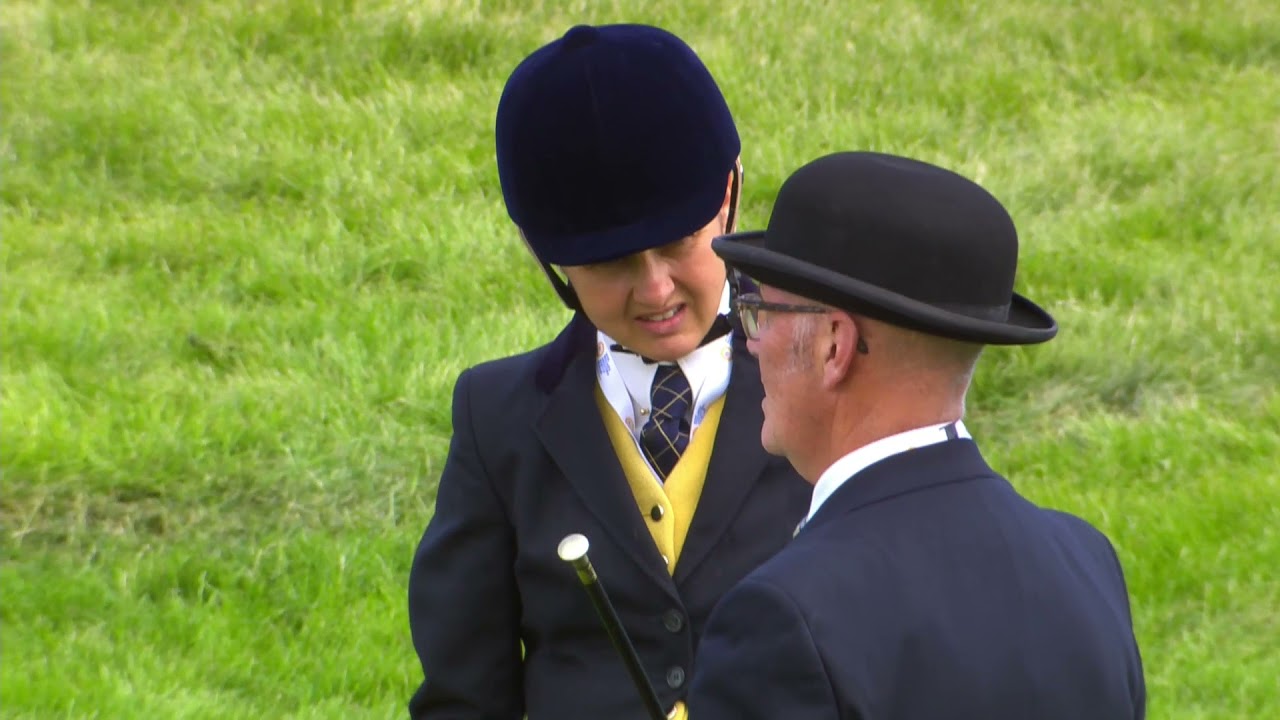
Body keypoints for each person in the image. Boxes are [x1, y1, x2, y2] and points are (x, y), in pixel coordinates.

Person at [407, 24, 812, 720]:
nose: (655, 292)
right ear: (545, 254)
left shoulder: (831, 386)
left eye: (679, 243)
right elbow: (463, 698)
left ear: (729, 191)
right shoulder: (495, 417)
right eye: (609, 264)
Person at [686, 151, 1146, 719]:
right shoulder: (1084, 562)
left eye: (761, 313)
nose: (751, 342)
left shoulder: (787, 617)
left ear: (835, 345)